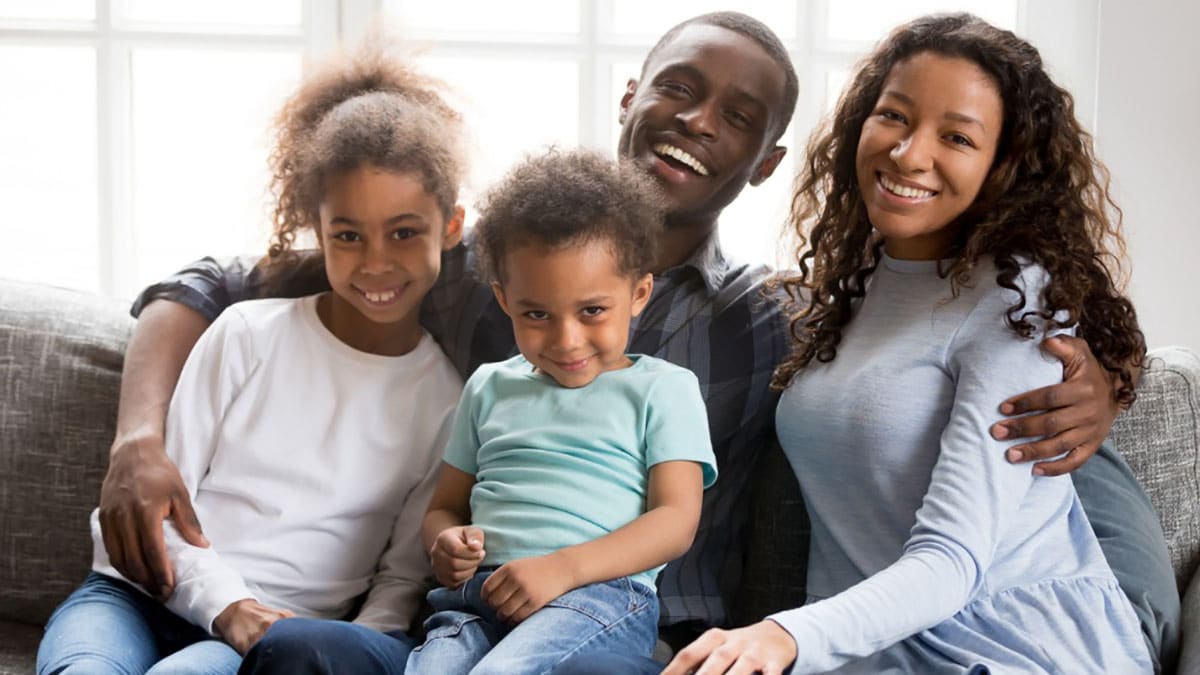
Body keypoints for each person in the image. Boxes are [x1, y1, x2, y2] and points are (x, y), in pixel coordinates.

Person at [95, 11, 1166, 671]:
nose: (700, 120)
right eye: (681, 88)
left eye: (738, 115)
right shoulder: (486, 264)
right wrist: (140, 439)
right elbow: (218, 281)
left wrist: (1109, 380)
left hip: (643, 630)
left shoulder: (778, 320)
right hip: (469, 605)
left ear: (767, 158)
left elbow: (1021, 449)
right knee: (319, 653)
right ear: (632, 97)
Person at [665, 13, 1157, 674]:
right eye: (894, 116)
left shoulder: (1016, 303)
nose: (908, 153)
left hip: (1005, 647)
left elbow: (952, 560)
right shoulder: (851, 289)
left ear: (1003, 166)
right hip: (873, 646)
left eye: (956, 135)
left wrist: (781, 634)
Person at [37, 44, 467, 674]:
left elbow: (400, 579)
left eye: (405, 232)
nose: (376, 261)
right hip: (134, 598)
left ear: (451, 227)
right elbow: (146, 512)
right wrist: (228, 605)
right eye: (348, 235)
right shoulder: (246, 333)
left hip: (270, 632)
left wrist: (344, 649)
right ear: (317, 233)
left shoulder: (448, 399)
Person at [403, 149, 717, 673]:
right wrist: (444, 542)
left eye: (592, 311)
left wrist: (562, 569)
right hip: (478, 599)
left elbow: (675, 522)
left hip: (597, 597)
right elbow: (445, 507)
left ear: (639, 293)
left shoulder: (664, 389)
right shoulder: (489, 386)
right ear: (505, 302)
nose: (566, 339)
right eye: (537, 314)